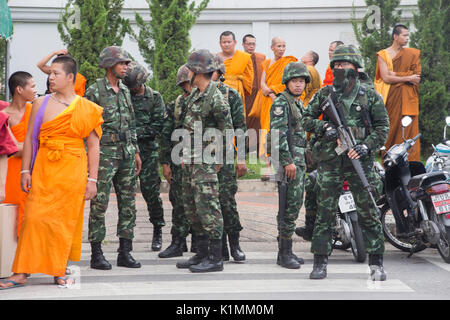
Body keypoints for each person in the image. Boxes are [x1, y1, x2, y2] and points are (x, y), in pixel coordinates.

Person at [0, 55, 103, 289]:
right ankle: (20, 273)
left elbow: (94, 146)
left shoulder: (88, 108)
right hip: (44, 167)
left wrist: (93, 179)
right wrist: (25, 170)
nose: (50, 77)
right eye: (50, 73)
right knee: (33, 219)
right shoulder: (40, 103)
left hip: (73, 169)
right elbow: (29, 138)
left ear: (70, 77)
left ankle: (58, 270)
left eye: (56, 73)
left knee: (64, 222)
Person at [302, 45, 389, 281]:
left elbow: (383, 128)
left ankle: (377, 263)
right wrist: (324, 128)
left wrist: (365, 146)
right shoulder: (325, 94)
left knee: (369, 211)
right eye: (337, 66)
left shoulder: (369, 95)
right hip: (331, 161)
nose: (340, 69)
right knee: (325, 212)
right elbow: (305, 119)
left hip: (360, 162)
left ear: (355, 67)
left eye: (345, 65)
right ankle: (320, 261)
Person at [175, 49, 233, 273]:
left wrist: (220, 159)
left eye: (190, 69)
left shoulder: (215, 97)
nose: (188, 72)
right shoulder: (197, 95)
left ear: (197, 72)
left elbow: (226, 130)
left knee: (209, 207)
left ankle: (216, 258)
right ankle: (200, 253)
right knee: (192, 208)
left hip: (206, 161)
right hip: (191, 160)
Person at [85, 46, 142, 270]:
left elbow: (131, 122)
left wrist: (135, 150)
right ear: (110, 65)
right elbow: (87, 128)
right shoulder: (95, 91)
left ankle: (124, 252)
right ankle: (96, 254)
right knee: (99, 204)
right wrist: (88, 160)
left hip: (126, 154)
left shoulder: (126, 91)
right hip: (104, 155)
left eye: (127, 64)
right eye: (122, 63)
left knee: (129, 203)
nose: (126, 67)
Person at [123, 61, 166, 252]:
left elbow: (158, 126)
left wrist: (134, 133)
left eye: (135, 86)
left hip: (148, 151)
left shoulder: (154, 98)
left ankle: (158, 228)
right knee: (127, 194)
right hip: (127, 151)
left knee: (151, 193)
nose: (133, 90)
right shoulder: (124, 95)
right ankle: (126, 236)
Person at [270, 62, 310, 269]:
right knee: (288, 206)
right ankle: (283, 254)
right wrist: (288, 162)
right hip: (288, 163)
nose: (298, 85)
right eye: (295, 81)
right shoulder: (281, 103)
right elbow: (277, 135)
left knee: (293, 206)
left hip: (298, 161)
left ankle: (287, 251)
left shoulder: (297, 103)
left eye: (302, 81)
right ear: (287, 82)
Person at [212, 55, 247, 262]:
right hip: (204, 158)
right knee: (209, 203)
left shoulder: (230, 95)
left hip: (224, 158)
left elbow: (240, 128)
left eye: (212, 72)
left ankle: (234, 244)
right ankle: (218, 248)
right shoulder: (197, 95)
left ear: (220, 74)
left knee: (227, 201)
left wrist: (241, 158)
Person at [248, 37, 297, 179]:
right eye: (279, 46)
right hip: (267, 102)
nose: (282, 49)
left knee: (279, 132)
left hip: (281, 101)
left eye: (283, 46)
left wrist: (275, 93)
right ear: (272, 48)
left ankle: (282, 164)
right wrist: (270, 93)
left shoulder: (289, 62)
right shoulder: (267, 63)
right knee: (266, 133)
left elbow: (288, 82)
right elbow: (262, 83)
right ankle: (267, 166)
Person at [158, 64, 193, 258]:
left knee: (201, 203)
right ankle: (178, 242)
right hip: (179, 160)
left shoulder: (208, 101)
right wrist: (165, 163)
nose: (191, 85)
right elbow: (166, 135)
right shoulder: (176, 104)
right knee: (179, 202)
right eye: (187, 83)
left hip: (201, 162)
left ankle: (200, 243)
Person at [375, 24, 421, 161]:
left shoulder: (412, 54)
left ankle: (411, 164)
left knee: (409, 132)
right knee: (391, 128)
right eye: (404, 35)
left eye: (408, 35)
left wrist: (397, 75)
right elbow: (386, 78)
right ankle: (389, 160)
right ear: (395, 36)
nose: (407, 38)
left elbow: (417, 77)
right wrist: (407, 77)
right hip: (391, 97)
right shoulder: (383, 55)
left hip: (408, 97)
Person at [2, 71, 36, 235]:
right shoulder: (4, 116)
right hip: (12, 173)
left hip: (35, 171)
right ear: (19, 90)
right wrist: (35, 146)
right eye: (32, 86)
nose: (36, 90)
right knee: (11, 218)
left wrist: (27, 146)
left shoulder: (36, 111)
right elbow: (12, 149)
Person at [217, 31, 254, 114]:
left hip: (236, 93)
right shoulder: (215, 58)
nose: (226, 44)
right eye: (224, 42)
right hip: (218, 94)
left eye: (229, 42)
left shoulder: (244, 57)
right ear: (220, 43)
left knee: (237, 119)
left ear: (235, 42)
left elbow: (249, 78)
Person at [242, 34, 266, 149]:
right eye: (249, 44)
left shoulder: (261, 57)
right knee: (243, 120)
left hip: (258, 95)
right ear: (243, 45)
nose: (251, 46)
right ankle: (241, 147)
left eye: (253, 44)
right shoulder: (239, 58)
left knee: (257, 122)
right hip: (244, 95)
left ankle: (255, 148)